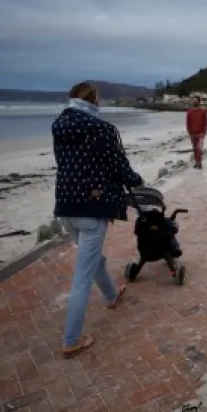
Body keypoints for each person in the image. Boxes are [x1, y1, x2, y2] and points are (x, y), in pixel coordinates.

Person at [53, 82, 144, 357]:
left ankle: (111, 296)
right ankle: (71, 340)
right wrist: (136, 181)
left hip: (66, 207)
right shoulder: (100, 129)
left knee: (94, 260)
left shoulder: (58, 126)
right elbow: (117, 165)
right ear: (95, 101)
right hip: (92, 209)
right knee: (82, 276)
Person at [185, 96, 207, 169]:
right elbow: (187, 123)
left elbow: (205, 123)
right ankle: (196, 162)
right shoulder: (189, 111)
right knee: (194, 148)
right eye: (194, 100)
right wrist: (189, 132)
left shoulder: (203, 111)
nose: (195, 102)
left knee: (199, 148)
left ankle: (199, 163)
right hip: (192, 133)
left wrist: (203, 133)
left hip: (200, 133)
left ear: (199, 101)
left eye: (196, 100)